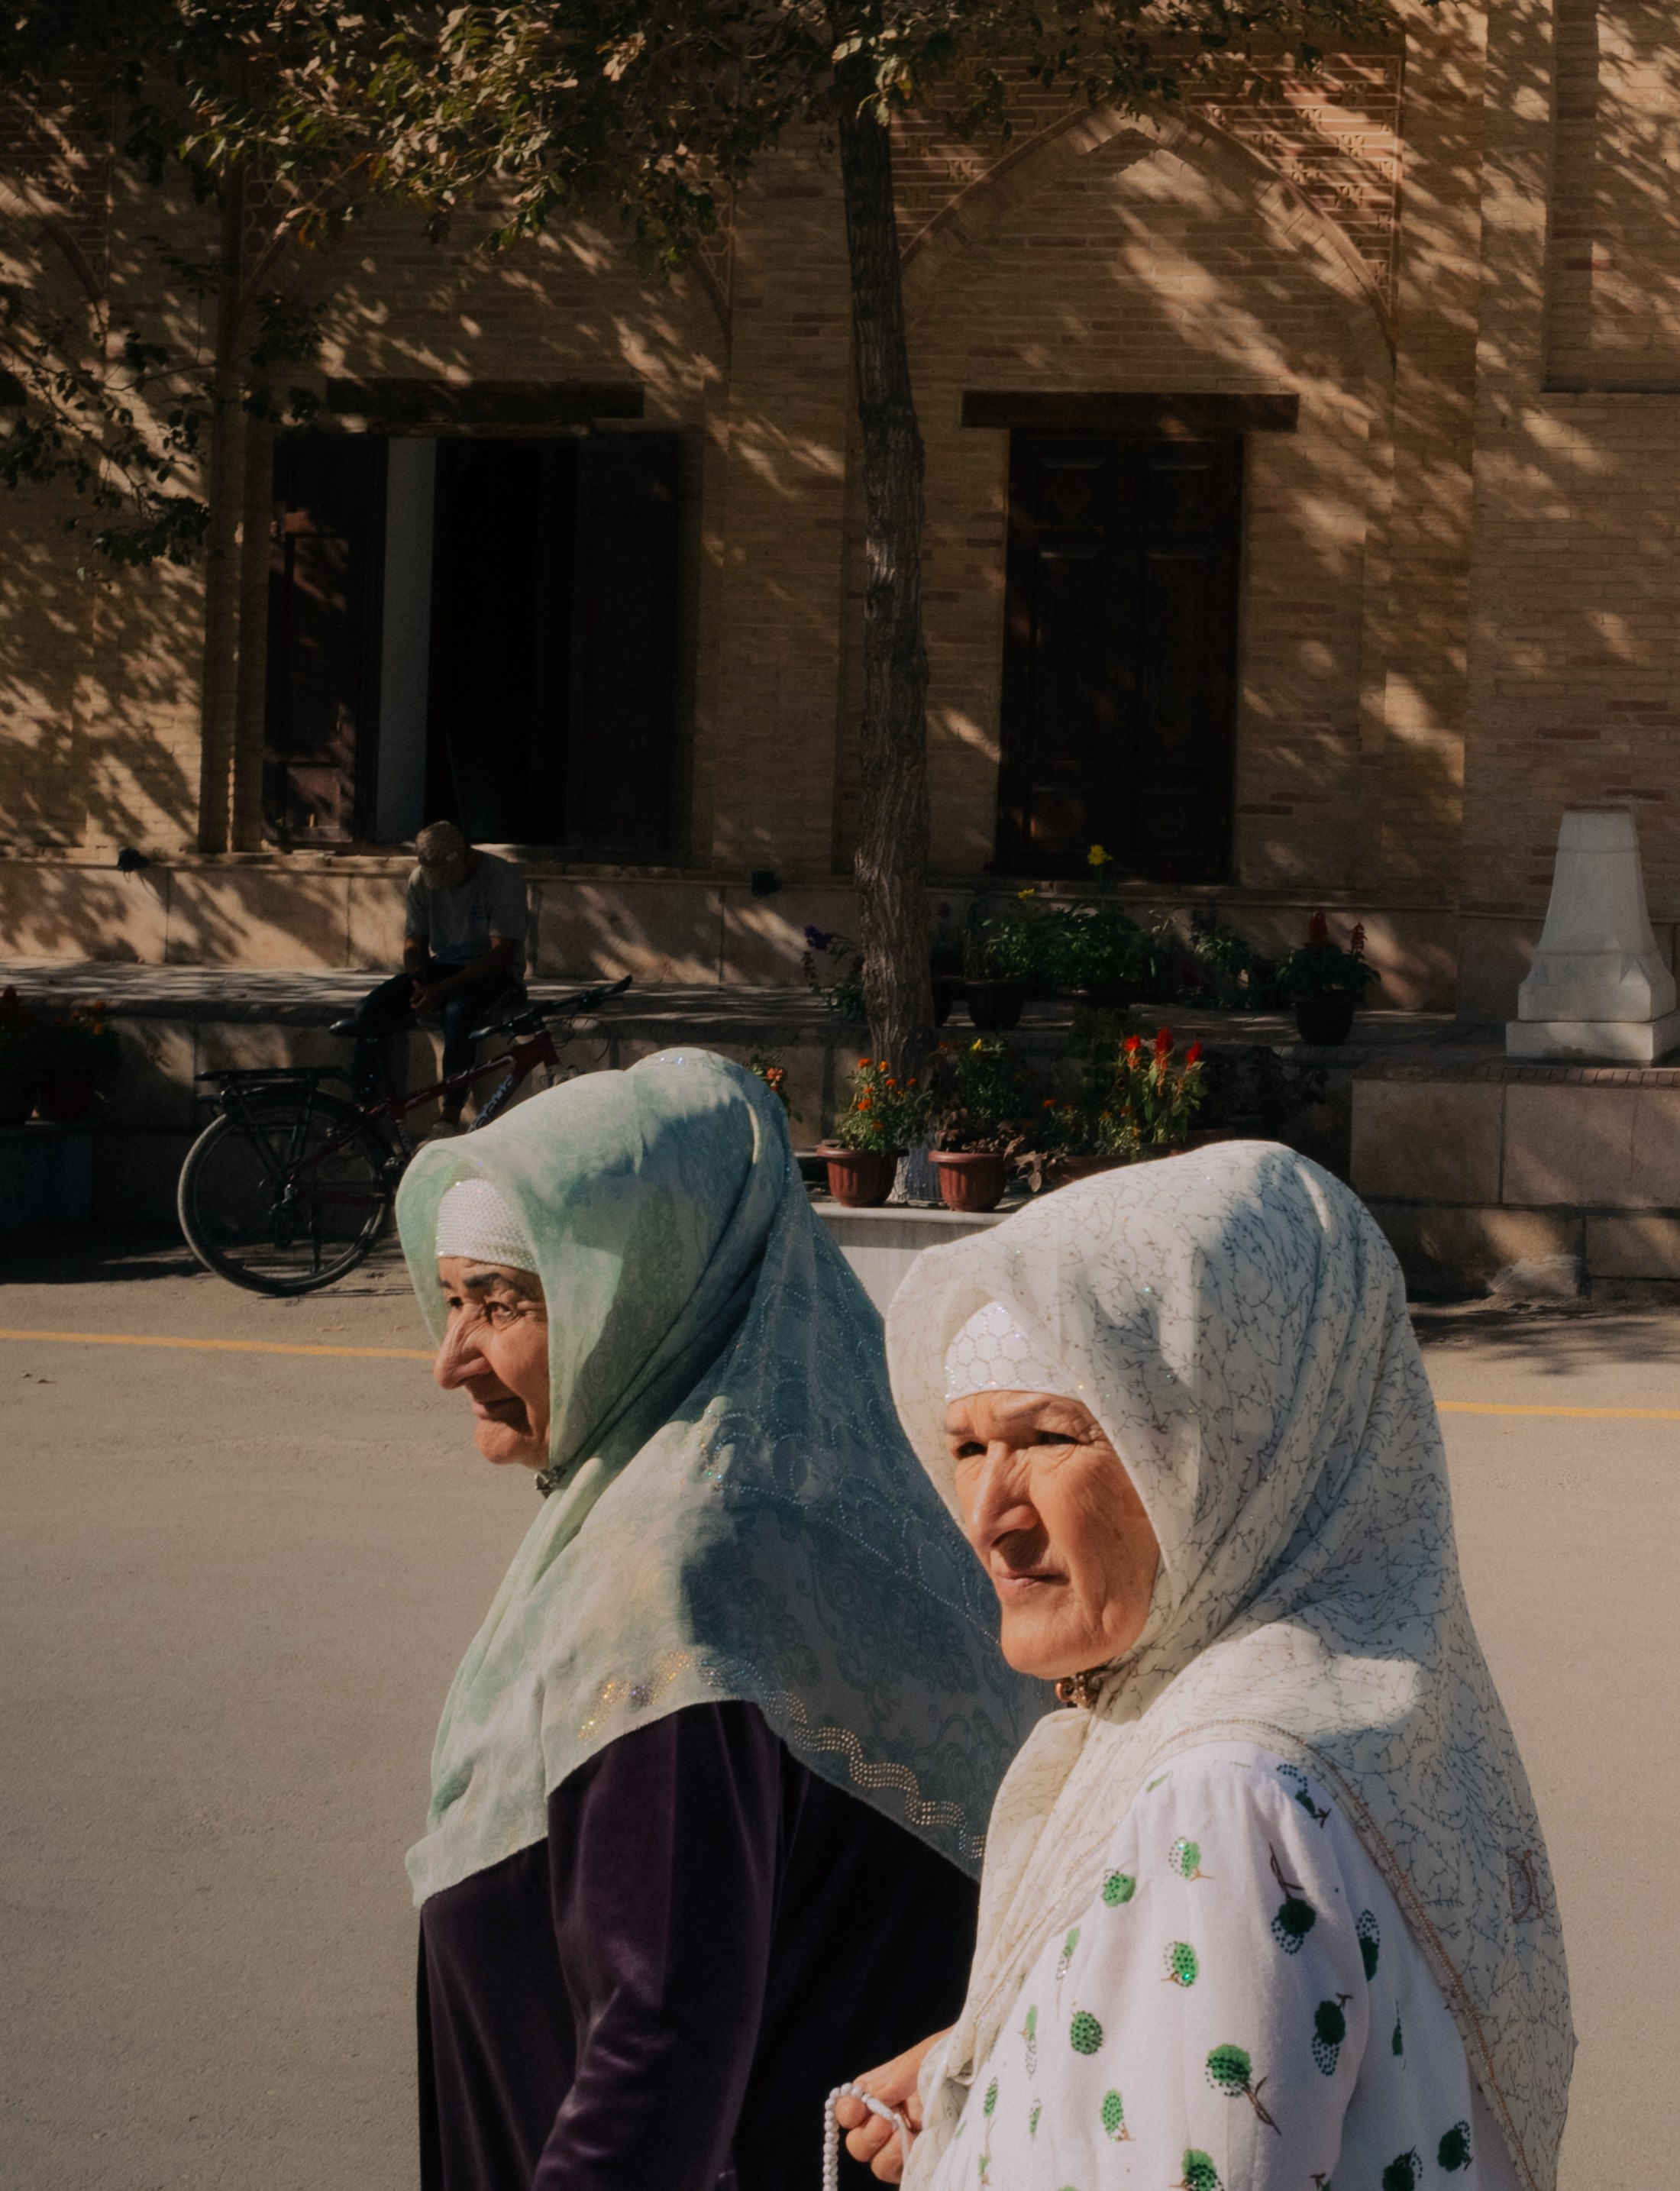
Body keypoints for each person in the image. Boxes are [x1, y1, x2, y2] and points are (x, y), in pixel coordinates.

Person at [836, 1143, 1573, 2191]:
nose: (987, 1520)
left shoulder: (1224, 1805)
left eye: (1045, 1436)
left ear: (1230, 1449)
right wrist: (998, 2094)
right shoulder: (1373, 1710)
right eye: (964, 1448)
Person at [395, 1049, 1042, 2191]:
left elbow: (660, 2036)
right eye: (452, 1301)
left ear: (640, 1294)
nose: (450, 1360)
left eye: (501, 1304)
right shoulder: (799, 1498)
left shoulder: (687, 1572)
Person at [334, 821, 527, 1129]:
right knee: (369, 1010)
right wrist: (419, 979)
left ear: (466, 853)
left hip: (493, 972)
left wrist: (444, 988)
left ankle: (450, 1115)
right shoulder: (419, 881)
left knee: (459, 1012)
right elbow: (414, 943)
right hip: (444, 966)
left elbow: (501, 955)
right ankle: (365, 1105)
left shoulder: (502, 878)